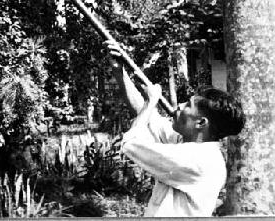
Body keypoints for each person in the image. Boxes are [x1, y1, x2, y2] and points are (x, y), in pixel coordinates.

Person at [105, 40, 245, 217]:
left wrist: (151, 102)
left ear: (200, 123)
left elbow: (130, 143)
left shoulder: (199, 160)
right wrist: (120, 72)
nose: (178, 106)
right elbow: (146, 116)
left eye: (187, 106)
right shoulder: (187, 141)